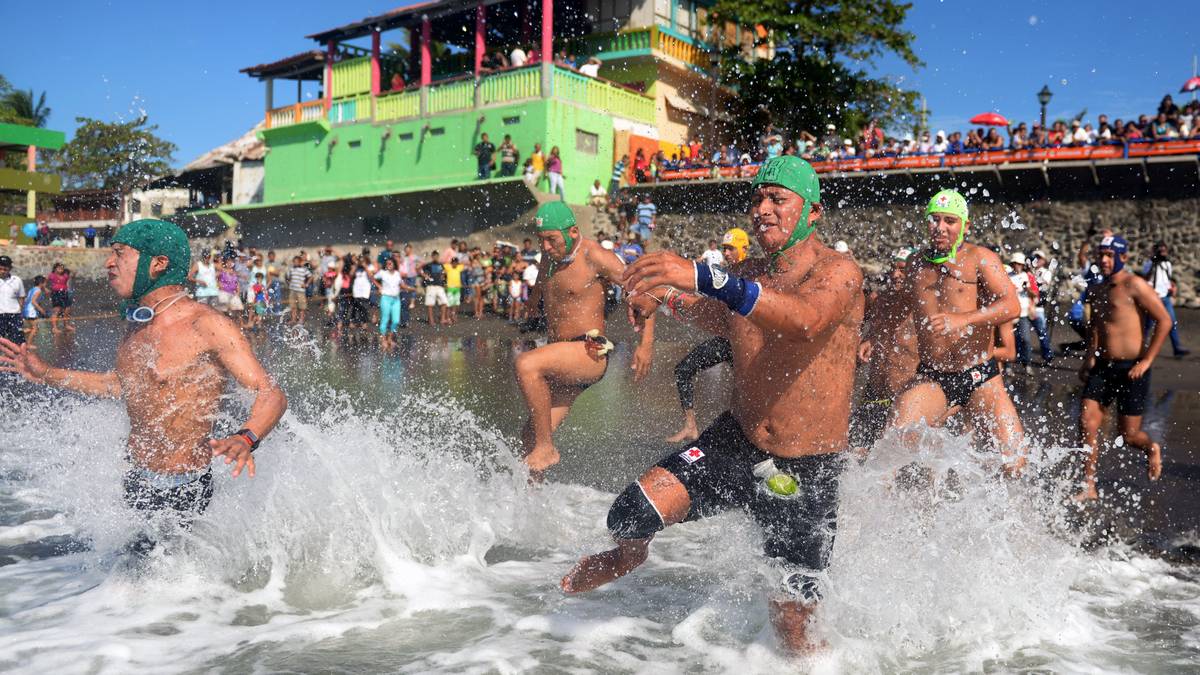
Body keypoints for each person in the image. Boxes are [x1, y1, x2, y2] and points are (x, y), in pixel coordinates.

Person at [563, 156, 863, 654]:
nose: (762, 209)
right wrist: (658, 292)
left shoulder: (839, 272)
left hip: (807, 469)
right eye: (758, 198)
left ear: (812, 213)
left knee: (794, 635)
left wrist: (707, 277)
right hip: (736, 443)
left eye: (777, 199)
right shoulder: (746, 274)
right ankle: (628, 556)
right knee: (631, 514)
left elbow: (806, 321)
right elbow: (716, 314)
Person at [0, 219, 287, 550]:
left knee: (177, 597)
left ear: (159, 263)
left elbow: (270, 392)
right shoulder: (135, 329)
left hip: (187, 490)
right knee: (130, 590)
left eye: (120, 254)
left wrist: (246, 437)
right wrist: (46, 373)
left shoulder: (206, 324)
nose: (109, 263)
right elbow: (119, 386)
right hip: (137, 483)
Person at [883, 190, 1026, 476]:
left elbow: (1012, 305)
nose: (941, 227)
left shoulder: (980, 258)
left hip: (980, 375)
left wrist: (964, 319)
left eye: (950, 220)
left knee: (1014, 463)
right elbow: (902, 307)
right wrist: (874, 336)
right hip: (934, 375)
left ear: (965, 226)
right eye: (934, 219)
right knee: (890, 449)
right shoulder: (916, 264)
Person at [517, 202, 655, 478]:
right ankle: (531, 505)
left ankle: (547, 447)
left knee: (526, 365)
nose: (545, 246)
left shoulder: (595, 256)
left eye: (552, 239)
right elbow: (542, 285)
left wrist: (646, 345)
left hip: (588, 351)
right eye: (542, 239)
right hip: (562, 358)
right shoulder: (550, 257)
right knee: (527, 438)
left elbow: (643, 292)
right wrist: (532, 304)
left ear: (573, 231)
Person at [1075, 235, 1170, 501]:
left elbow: (1163, 320)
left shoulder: (1134, 285)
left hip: (1132, 369)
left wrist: (1147, 360)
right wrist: (1089, 358)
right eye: (1101, 254)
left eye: (1109, 254)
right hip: (1102, 367)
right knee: (1086, 422)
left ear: (1123, 257)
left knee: (1128, 436)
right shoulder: (1096, 289)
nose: (1104, 260)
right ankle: (1089, 485)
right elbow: (1096, 326)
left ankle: (1151, 447)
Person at [665, 228, 749, 443]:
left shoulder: (752, 272)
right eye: (724, 249)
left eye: (731, 249)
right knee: (683, 369)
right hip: (727, 342)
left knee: (749, 392)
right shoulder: (724, 274)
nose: (726, 253)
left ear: (744, 249)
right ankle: (690, 426)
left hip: (747, 345)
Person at [854, 247, 920, 450]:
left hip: (903, 397)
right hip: (873, 393)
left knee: (900, 463)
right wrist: (868, 340)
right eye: (893, 268)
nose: (895, 274)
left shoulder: (922, 306)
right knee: (857, 453)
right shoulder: (879, 300)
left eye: (902, 270)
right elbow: (872, 332)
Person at [1140, 241, 1189, 357]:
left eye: (1164, 250)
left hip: (1165, 297)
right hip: (1153, 298)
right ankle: (1140, 348)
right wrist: (1153, 263)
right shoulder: (1149, 264)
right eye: (1160, 251)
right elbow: (1144, 278)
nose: (1163, 253)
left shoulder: (1167, 264)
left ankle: (1177, 348)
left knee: (1171, 322)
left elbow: (1167, 279)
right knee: (1148, 325)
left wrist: (1172, 287)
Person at [1008, 252, 1038, 373]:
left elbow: (1035, 293)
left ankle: (1027, 364)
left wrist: (1027, 288)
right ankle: (1008, 366)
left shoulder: (1028, 276)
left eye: (1019, 264)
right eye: (1015, 264)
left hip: (1024, 313)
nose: (1017, 266)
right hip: (1010, 313)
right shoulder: (1007, 275)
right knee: (1009, 340)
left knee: (1026, 339)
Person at [0, 256, 23, 346]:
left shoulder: (17, 280)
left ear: (10, 268)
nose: (2, 271)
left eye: (5, 269)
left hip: (14, 315)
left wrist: (20, 311)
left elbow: (21, 297)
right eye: (0, 269)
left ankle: (19, 358)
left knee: (17, 340)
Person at [422, 251, 449, 326]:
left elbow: (443, 274)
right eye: (434, 256)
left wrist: (444, 280)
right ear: (432, 257)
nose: (435, 257)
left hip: (439, 286)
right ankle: (431, 321)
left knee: (444, 302)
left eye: (437, 256)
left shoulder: (441, 265)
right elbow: (421, 271)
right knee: (430, 304)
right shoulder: (428, 265)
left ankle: (443, 319)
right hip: (431, 286)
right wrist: (425, 276)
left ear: (438, 256)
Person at [47, 263, 72, 334]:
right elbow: (44, 281)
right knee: (57, 310)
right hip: (56, 293)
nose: (61, 269)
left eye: (62, 268)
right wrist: (45, 289)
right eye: (59, 268)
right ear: (55, 269)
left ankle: (66, 325)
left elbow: (70, 278)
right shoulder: (52, 275)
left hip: (64, 293)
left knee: (67, 309)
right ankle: (54, 328)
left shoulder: (65, 275)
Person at [286, 256, 311, 324]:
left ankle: (301, 319)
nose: (295, 263)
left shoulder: (304, 269)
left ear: (300, 262)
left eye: (297, 261)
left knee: (302, 306)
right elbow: (287, 277)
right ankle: (293, 319)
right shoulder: (291, 269)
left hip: (301, 291)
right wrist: (289, 284)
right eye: (294, 262)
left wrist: (306, 284)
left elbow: (310, 277)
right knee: (293, 306)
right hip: (292, 290)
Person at [22, 275, 48, 339]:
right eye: (45, 283)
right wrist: (41, 310)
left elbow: (26, 300)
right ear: (41, 283)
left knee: (32, 328)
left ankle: (22, 333)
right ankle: (28, 344)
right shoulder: (38, 291)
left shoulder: (32, 289)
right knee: (35, 328)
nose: (46, 284)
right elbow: (33, 301)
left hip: (26, 309)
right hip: (31, 311)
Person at [445, 255, 465, 325]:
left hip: (457, 287)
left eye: (456, 262)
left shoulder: (459, 267)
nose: (454, 264)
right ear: (451, 262)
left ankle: (453, 315)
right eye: (453, 262)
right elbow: (442, 263)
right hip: (450, 288)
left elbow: (465, 264)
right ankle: (447, 317)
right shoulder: (448, 267)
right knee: (449, 303)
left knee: (456, 303)